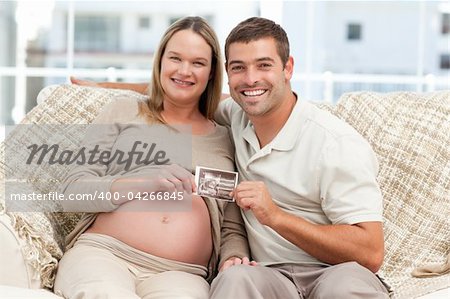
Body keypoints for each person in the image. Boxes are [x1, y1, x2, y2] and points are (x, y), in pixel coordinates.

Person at [72, 17, 389, 298]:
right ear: (227, 74)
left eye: (264, 65)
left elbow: (371, 252)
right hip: (259, 273)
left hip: (328, 271)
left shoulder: (332, 142)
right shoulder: (235, 118)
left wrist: (272, 219)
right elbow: (180, 87)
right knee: (234, 281)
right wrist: (103, 87)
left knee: (342, 289)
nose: (251, 79)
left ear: (288, 68)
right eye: (239, 68)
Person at [54, 16, 252, 299]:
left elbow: (232, 226)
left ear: (211, 73)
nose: (184, 71)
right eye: (175, 58)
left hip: (181, 273)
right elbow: (71, 191)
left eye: (197, 63)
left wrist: (233, 257)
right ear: (160, 61)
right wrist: (144, 181)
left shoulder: (227, 136)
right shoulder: (123, 111)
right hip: (106, 253)